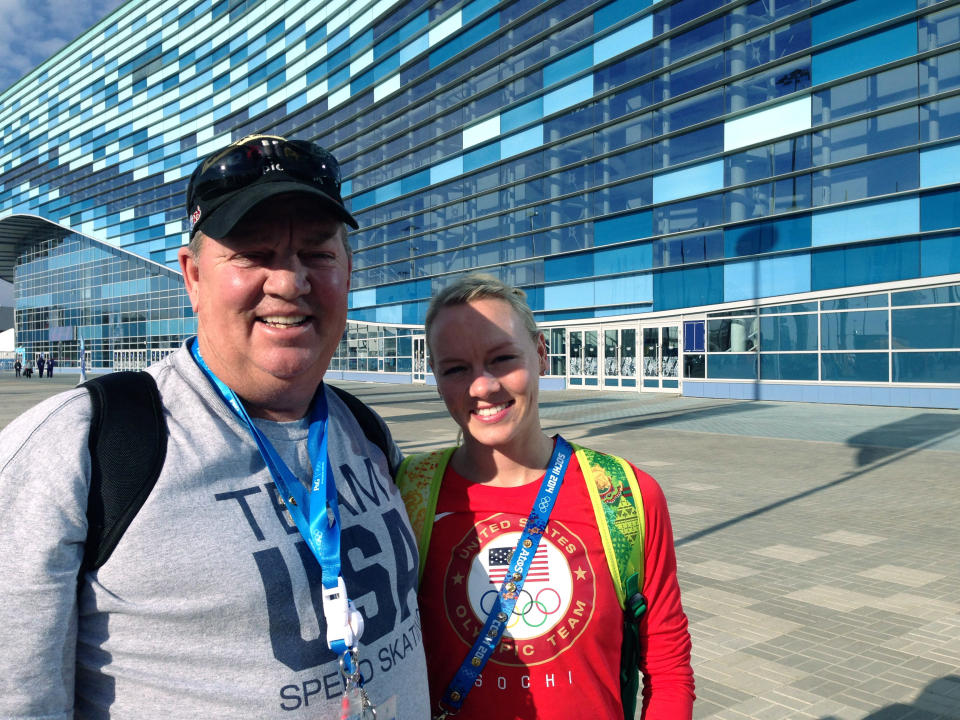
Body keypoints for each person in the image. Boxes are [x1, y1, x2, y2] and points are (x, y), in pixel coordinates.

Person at [0, 134, 429, 718]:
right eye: (252, 254)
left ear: (348, 273)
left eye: (318, 254)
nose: (289, 281)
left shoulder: (365, 430)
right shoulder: (82, 444)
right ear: (193, 276)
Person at [398, 273, 695, 719]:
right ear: (436, 377)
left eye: (501, 359)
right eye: (456, 368)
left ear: (541, 355)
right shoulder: (406, 494)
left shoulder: (624, 494)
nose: (482, 387)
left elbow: (668, 667)